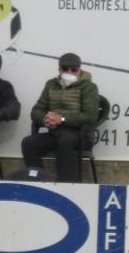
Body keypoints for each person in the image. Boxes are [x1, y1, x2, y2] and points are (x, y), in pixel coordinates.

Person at [20, 53, 99, 183]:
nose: (69, 72)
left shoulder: (89, 87)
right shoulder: (51, 85)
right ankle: (39, 182)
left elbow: (90, 117)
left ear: (80, 70)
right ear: (59, 70)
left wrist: (61, 119)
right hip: (55, 133)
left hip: (80, 135)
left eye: (74, 69)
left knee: (65, 141)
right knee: (29, 143)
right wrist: (46, 119)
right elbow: (36, 111)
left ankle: (66, 185)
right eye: (65, 69)